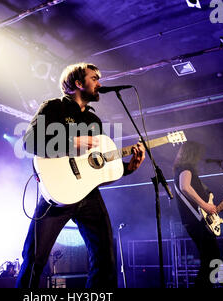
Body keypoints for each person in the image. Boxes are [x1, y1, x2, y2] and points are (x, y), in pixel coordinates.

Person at [16, 62, 145, 288]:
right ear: (78, 83)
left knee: (105, 257)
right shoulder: (54, 107)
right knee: (35, 258)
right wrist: (71, 142)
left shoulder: (94, 121)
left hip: (88, 194)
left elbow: (98, 164)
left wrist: (128, 168)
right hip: (57, 192)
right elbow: (29, 142)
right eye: (94, 78)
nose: (99, 83)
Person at [173, 141, 223, 288]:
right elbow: (185, 187)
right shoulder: (185, 168)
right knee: (212, 259)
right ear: (192, 154)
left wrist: (218, 207)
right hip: (195, 221)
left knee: (212, 259)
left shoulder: (187, 171)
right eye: (198, 154)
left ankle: (213, 285)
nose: (200, 158)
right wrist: (204, 205)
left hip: (199, 220)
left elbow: (205, 207)